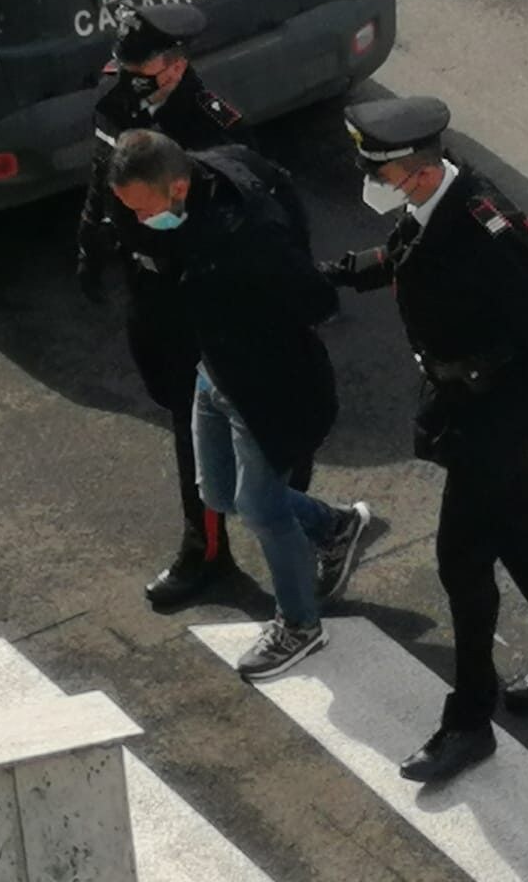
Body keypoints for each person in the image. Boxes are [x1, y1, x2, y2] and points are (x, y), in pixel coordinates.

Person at [319, 97, 528, 783]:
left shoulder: (488, 230)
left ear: (421, 171)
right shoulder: (436, 202)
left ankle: (468, 720)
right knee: (525, 534)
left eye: (386, 173)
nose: (378, 185)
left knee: (463, 564)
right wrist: (344, 272)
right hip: (465, 401)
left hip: (498, 415)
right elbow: (408, 254)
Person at [76, 2, 315, 610]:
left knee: (261, 423)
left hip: (206, 300)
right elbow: (102, 178)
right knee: (186, 423)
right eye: (124, 66)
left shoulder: (215, 126)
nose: (129, 78)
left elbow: (262, 207)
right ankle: (206, 548)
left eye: (143, 69)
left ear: (177, 66)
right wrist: (91, 248)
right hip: (151, 298)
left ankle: (309, 532)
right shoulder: (119, 98)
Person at [108, 129, 370, 680]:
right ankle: (334, 527)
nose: (136, 220)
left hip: (266, 382)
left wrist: (259, 311)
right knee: (218, 492)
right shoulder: (207, 178)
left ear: (177, 186)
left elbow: (314, 296)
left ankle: (299, 625)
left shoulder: (245, 233)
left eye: (142, 208)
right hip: (215, 370)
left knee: (261, 506)